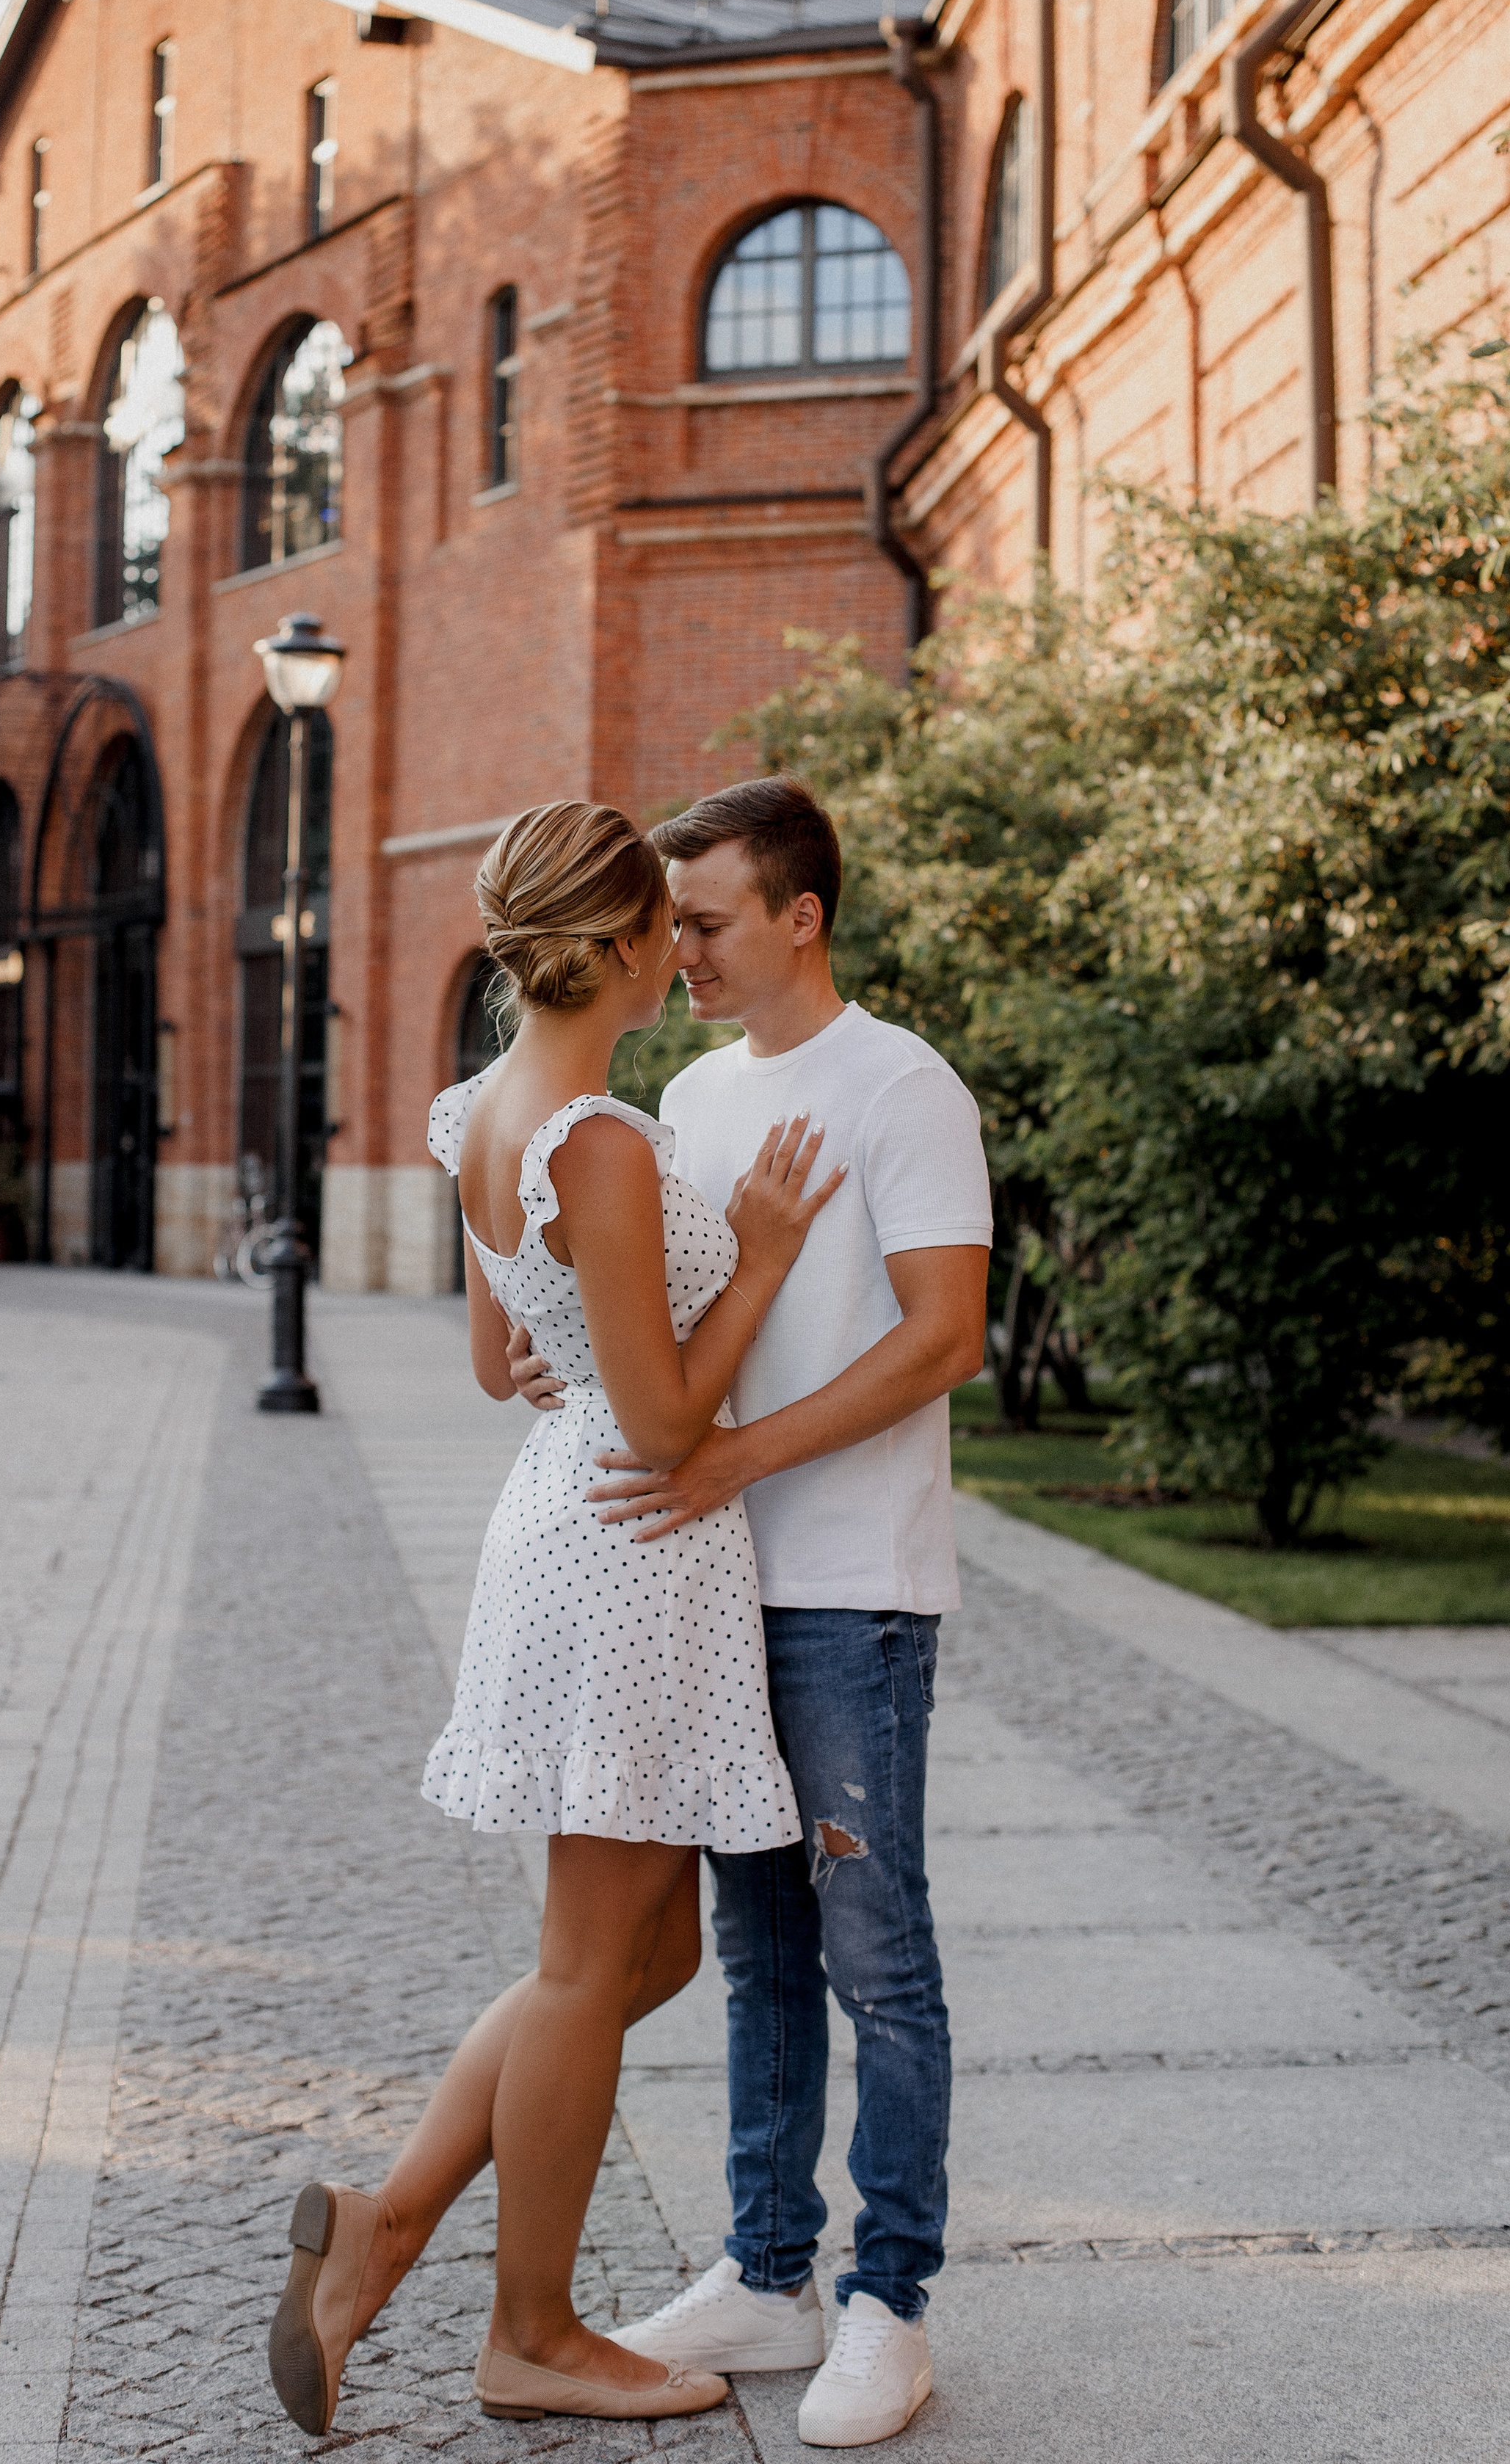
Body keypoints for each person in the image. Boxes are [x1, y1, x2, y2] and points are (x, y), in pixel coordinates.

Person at [266, 798, 844, 2437]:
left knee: (637, 1947)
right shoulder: (599, 1138)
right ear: (616, 945)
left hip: (563, 1516)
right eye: (666, 918)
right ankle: (529, 2331)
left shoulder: (480, 1111)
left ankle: (381, 2230)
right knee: (594, 1966)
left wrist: (588, 1345)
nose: (685, 942)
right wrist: (760, 1256)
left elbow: (490, 1361)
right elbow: (666, 1430)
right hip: (629, 1537)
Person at [511, 774, 990, 2449]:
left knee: (879, 1958)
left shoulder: (901, 1087)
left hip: (848, 1593)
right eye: (673, 923)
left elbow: (943, 1338)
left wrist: (731, 1459)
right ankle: (767, 2270)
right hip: (704, 1596)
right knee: (757, 1954)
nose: (678, 949)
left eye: (706, 920)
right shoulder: (687, 1097)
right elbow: (651, 1315)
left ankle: (888, 2302)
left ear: (800, 914)